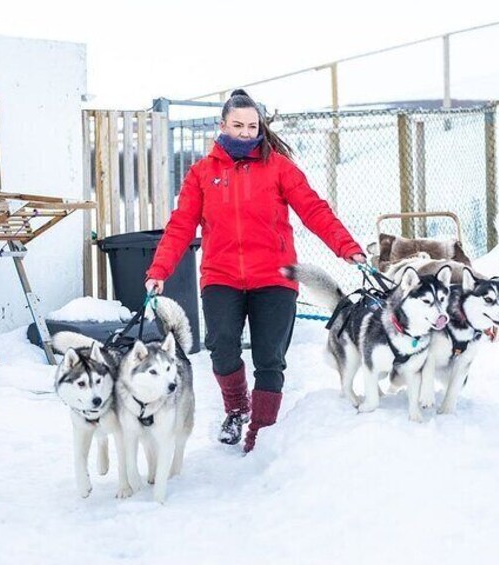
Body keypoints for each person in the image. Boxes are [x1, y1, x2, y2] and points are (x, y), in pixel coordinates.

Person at [145, 89, 365, 452]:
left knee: (269, 359)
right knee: (222, 348)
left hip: (274, 278)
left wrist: (348, 248)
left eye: (252, 126)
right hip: (221, 275)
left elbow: (315, 210)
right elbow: (181, 225)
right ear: (223, 125)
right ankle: (236, 408)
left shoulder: (279, 167)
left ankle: (260, 431)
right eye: (238, 125)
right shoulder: (203, 173)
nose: (246, 133)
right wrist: (159, 270)